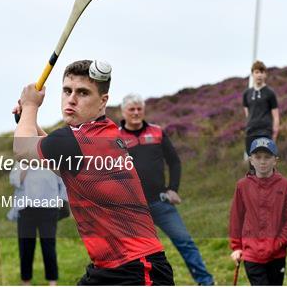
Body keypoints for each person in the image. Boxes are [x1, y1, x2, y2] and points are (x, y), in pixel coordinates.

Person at [12, 60, 173, 285]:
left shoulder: (76, 141)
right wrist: (27, 121)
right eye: (67, 90)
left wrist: (30, 106)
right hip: (111, 267)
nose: (72, 99)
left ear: (103, 101)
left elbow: (22, 150)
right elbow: (60, 163)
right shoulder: (103, 133)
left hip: (137, 268)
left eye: (83, 93)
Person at [119, 93, 215, 286]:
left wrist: (173, 188)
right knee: (132, 252)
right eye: (132, 109)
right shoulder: (116, 137)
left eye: (139, 109)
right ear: (124, 112)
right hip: (134, 208)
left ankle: (206, 282)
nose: (136, 113)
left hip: (160, 202)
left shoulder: (157, 132)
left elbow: (174, 162)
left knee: (185, 242)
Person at [229, 138, 287, 286]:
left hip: (277, 254)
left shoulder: (286, 186)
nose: (262, 161)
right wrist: (236, 246)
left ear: (275, 160)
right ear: (251, 160)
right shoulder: (242, 186)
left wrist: (280, 242)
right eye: (258, 157)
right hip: (251, 254)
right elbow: (236, 217)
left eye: (267, 157)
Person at [8, 162, 68, 285]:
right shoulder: (23, 161)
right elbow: (14, 180)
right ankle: (26, 281)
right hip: (26, 209)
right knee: (26, 246)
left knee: (48, 245)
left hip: (49, 208)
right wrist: (26, 165)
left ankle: (52, 282)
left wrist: (62, 202)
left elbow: (64, 182)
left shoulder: (51, 158)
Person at [243, 61, 280, 163]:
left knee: (264, 163)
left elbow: (276, 115)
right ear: (252, 74)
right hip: (251, 131)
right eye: (257, 72)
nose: (259, 75)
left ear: (265, 74)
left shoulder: (270, 93)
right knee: (253, 164)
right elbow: (247, 113)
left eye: (262, 72)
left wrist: (275, 133)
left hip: (265, 131)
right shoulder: (247, 93)